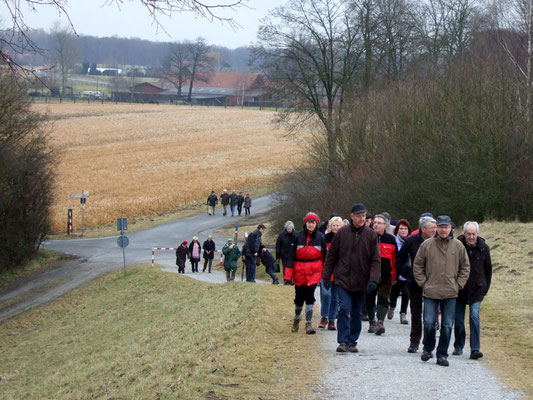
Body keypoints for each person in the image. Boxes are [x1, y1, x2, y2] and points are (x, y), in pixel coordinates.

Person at [322, 203, 381, 353]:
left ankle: (352, 340)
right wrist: (326, 277)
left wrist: (373, 280)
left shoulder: (371, 235)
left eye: (364, 216)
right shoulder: (342, 234)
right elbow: (331, 257)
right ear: (352, 216)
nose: (362, 218)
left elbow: (375, 260)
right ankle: (343, 341)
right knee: (344, 308)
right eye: (359, 216)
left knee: (356, 312)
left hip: (361, 281)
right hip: (342, 279)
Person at [413, 215, 470, 367]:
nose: (444, 229)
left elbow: (465, 267)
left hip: (451, 292)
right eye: (441, 226)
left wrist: (459, 285)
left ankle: (442, 354)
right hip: (431, 291)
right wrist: (424, 283)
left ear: (451, 228)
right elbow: (417, 265)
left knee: (446, 325)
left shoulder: (458, 246)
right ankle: (428, 348)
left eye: (446, 227)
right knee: (429, 322)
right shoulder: (427, 245)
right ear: (436, 227)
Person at [397, 216, 437, 353]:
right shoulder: (410, 242)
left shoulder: (438, 242)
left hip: (433, 283)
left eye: (435, 228)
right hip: (414, 284)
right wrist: (408, 274)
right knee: (416, 313)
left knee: (430, 316)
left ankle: (428, 343)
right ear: (423, 228)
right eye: (432, 228)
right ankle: (414, 341)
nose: (434, 230)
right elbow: (400, 260)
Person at [453, 221, 492, 360]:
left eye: (473, 234)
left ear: (477, 234)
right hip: (460, 289)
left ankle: (475, 349)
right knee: (458, 320)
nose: (471, 236)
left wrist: (485, 288)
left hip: (477, 289)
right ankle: (458, 345)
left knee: (474, 317)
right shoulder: (456, 246)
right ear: (464, 234)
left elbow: (488, 269)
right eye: (468, 234)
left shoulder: (484, 248)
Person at [284, 212, 327, 334]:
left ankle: (308, 323)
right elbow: (291, 256)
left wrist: (326, 274)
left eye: (313, 222)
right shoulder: (298, 236)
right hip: (299, 271)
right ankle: (297, 318)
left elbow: (325, 257)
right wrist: (288, 275)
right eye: (309, 222)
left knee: (310, 296)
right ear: (305, 223)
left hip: (314, 272)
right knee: (299, 298)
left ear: (316, 224)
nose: (311, 225)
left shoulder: (321, 237)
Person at [366, 214, 398, 335]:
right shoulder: (367, 237)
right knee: (369, 298)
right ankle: (371, 321)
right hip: (370, 275)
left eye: (379, 223)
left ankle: (380, 322)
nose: (376, 225)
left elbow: (395, 259)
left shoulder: (391, 239)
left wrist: (394, 275)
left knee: (384, 298)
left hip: (386, 274)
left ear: (385, 225)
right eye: (375, 222)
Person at [319, 216, 342, 331]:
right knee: (326, 294)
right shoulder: (325, 238)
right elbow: (321, 255)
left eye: (338, 225)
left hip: (339, 273)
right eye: (334, 225)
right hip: (326, 272)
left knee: (335, 298)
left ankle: (332, 320)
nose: (336, 227)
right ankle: (324, 317)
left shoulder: (344, 238)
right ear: (330, 226)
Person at [388, 219, 412, 324]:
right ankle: (392, 307)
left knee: (406, 292)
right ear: (397, 230)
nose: (403, 230)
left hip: (408, 271)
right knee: (394, 292)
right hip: (396, 270)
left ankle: (403, 314)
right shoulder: (393, 240)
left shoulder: (411, 241)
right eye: (401, 228)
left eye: (405, 228)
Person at [276, 221, 296, 285]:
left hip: (293, 255)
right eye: (288, 228)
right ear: (286, 228)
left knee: (292, 267)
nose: (290, 229)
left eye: (291, 228)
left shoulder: (296, 234)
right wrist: (278, 255)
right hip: (284, 254)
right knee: (286, 267)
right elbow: (278, 245)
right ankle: (286, 280)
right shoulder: (281, 235)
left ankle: (292, 280)